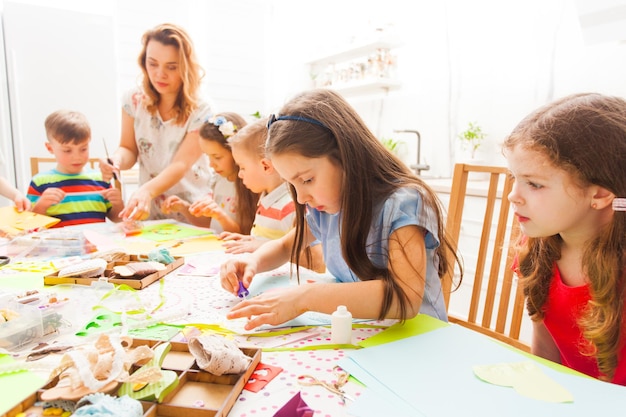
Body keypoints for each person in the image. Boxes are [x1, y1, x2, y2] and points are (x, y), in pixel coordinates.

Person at [220, 89, 461, 330]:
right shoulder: (324, 209)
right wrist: (252, 261)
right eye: (292, 185)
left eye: (306, 180)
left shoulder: (402, 203)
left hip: (417, 339)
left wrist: (304, 298)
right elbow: (285, 246)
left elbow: (404, 298)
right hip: (361, 333)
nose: (301, 198)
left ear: (345, 156)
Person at [505, 93, 626, 385]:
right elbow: (546, 354)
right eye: (514, 178)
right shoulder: (534, 251)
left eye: (534, 184)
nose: (513, 196)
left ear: (598, 195)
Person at [100, 23, 213, 222]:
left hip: (192, 211)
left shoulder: (201, 110)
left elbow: (181, 164)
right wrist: (116, 161)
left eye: (171, 67)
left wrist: (145, 191)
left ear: (186, 68)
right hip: (151, 212)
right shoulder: (133, 100)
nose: (160, 74)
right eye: (153, 64)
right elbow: (128, 148)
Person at [161, 112, 259, 233]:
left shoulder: (252, 185)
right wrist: (184, 208)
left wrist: (220, 216)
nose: (211, 165)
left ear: (235, 151)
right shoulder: (219, 180)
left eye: (217, 157)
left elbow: (242, 235)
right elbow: (210, 223)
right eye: (208, 156)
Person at [27, 110, 124, 227]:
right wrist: (41, 205)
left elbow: (117, 219)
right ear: (50, 148)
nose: (77, 157)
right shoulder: (40, 182)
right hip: (58, 244)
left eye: (83, 149)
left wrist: (117, 204)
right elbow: (30, 224)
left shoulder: (101, 179)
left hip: (94, 243)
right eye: (67, 150)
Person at [221, 118, 297, 253]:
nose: (240, 175)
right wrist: (250, 240)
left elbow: (308, 257)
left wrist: (260, 246)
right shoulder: (267, 199)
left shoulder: (289, 207)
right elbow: (268, 238)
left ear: (266, 166)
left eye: (242, 167)